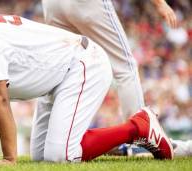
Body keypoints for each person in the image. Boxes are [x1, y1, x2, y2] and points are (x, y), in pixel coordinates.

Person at [0, 14, 173, 164]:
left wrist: (9, 160)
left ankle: (138, 126)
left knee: (62, 155)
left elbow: (0, 103)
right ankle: (124, 146)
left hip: (82, 64)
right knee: (41, 156)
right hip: (56, 74)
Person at [41, 0, 192, 156]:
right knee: (125, 67)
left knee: (61, 67)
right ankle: (141, 139)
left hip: (51, 4)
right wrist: (159, 3)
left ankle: (49, 143)